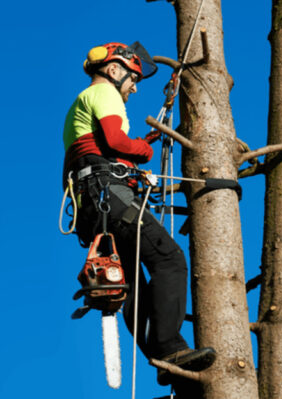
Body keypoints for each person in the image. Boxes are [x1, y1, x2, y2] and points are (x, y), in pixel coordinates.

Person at [62, 42, 214, 386]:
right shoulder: (104, 93)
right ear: (114, 71)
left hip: (92, 206)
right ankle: (171, 349)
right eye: (132, 77)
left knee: (131, 286)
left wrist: (132, 159)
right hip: (109, 198)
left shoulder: (79, 108)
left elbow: (96, 152)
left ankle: (164, 362)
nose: (134, 86)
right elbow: (116, 141)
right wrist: (143, 150)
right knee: (169, 259)